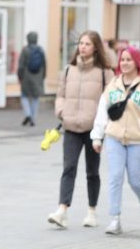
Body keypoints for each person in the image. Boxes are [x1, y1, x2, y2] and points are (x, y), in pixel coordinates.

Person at [47, 31, 114, 229]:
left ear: (95, 47)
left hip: (94, 130)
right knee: (68, 168)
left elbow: (111, 100)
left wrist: (102, 123)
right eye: (80, 43)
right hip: (70, 127)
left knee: (92, 172)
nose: (82, 46)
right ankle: (62, 210)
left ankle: (92, 211)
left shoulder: (104, 72)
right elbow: (60, 95)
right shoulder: (69, 70)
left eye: (87, 43)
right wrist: (61, 110)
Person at [91, 46, 140, 235]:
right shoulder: (112, 84)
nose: (125, 63)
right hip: (114, 137)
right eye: (122, 59)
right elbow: (102, 112)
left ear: (137, 62)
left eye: (129, 59)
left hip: (138, 140)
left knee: (135, 180)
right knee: (115, 177)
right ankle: (115, 219)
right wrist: (97, 137)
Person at [17, 32, 46, 127]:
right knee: (35, 98)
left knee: (24, 96)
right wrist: (43, 76)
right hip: (38, 77)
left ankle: (28, 114)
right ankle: (33, 118)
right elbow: (45, 65)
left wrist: (19, 76)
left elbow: (21, 65)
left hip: (26, 77)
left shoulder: (25, 50)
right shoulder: (41, 50)